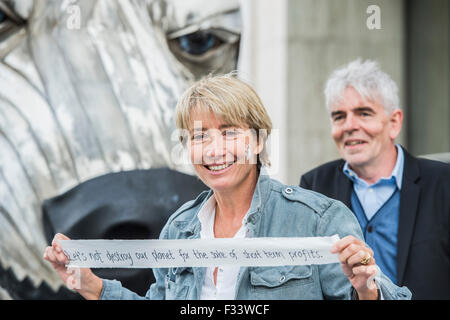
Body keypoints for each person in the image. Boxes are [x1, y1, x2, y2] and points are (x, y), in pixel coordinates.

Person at [44, 73, 410, 300]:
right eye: (199, 136)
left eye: (229, 133)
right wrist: (91, 285)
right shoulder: (179, 229)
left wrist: (367, 289)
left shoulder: (320, 220)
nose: (214, 149)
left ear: (258, 141)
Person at [300, 59, 450, 299]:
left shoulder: (443, 184)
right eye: (339, 116)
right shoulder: (314, 187)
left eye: (364, 113)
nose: (350, 125)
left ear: (394, 122)